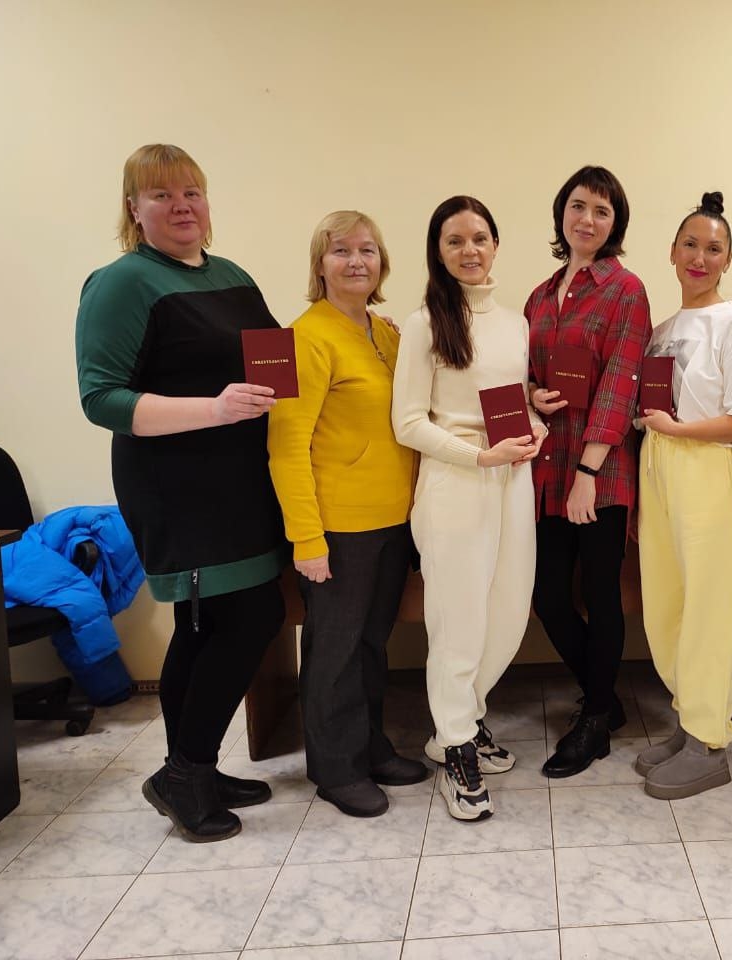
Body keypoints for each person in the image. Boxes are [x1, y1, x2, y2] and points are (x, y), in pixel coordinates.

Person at [75, 144, 289, 843]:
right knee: (242, 619)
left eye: (191, 192)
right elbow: (102, 398)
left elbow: (270, 366)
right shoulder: (121, 283)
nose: (181, 206)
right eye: (161, 195)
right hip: (177, 487)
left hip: (242, 480)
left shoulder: (232, 276)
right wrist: (214, 409)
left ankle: (192, 768)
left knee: (209, 628)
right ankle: (185, 773)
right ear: (133, 208)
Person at [266, 211, 428, 819]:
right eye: (341, 251)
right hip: (337, 526)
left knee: (370, 645)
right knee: (334, 651)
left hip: (392, 520)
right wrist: (306, 539)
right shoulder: (302, 337)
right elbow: (286, 447)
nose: (356, 261)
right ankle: (335, 768)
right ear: (320, 264)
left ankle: (370, 748)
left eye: (367, 250)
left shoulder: (385, 333)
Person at [393, 196, 544, 821]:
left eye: (479, 238)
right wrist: (478, 456)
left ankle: (461, 720)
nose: (469, 250)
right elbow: (407, 423)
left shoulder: (515, 323)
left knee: (507, 614)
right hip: (457, 483)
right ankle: (455, 745)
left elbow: (514, 404)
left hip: (512, 479)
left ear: (496, 244)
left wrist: (535, 428)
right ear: (438, 251)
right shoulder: (424, 324)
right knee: (458, 624)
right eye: (454, 241)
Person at [634, 192, 732, 799]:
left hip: (711, 470)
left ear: (728, 260)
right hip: (659, 466)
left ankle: (710, 741)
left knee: (712, 605)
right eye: (690, 244)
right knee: (667, 601)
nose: (700, 257)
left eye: (713, 248)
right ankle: (688, 719)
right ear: (672, 251)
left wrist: (678, 431)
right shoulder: (662, 331)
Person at [525, 165, 652, 778]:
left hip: (599, 471)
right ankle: (603, 696)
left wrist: (587, 473)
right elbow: (525, 372)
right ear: (562, 213)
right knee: (548, 596)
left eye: (602, 211)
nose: (588, 220)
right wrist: (531, 393)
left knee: (601, 596)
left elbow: (621, 385)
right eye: (579, 206)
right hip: (546, 466)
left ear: (615, 223)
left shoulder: (626, 290)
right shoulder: (540, 295)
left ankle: (596, 720)